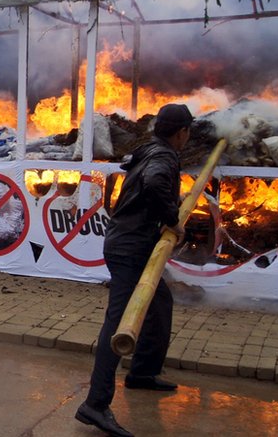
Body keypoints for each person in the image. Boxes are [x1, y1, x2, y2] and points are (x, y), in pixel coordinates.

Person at [75, 104, 193, 437]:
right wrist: (172, 219)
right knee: (119, 326)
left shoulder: (150, 148)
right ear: (181, 132)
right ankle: (94, 405)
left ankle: (142, 372)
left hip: (129, 242)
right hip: (130, 248)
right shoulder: (164, 157)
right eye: (188, 132)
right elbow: (155, 183)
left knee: (159, 304)